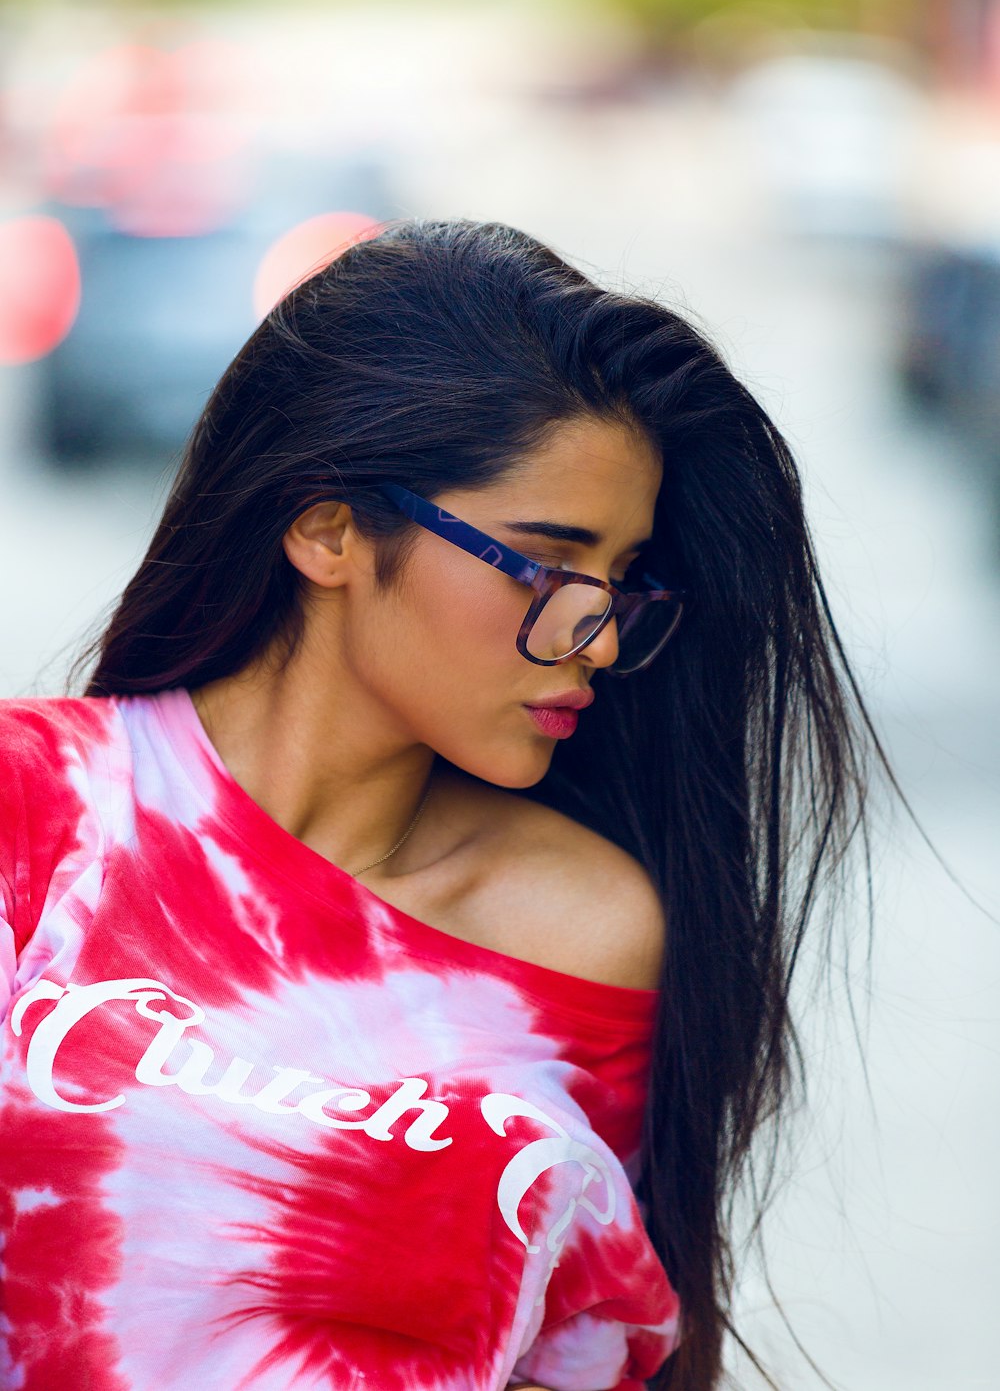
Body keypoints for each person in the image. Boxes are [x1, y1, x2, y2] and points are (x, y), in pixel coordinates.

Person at [0, 218, 904, 1390]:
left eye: (622, 578)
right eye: (544, 561)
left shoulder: (585, 924)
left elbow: (583, 1351)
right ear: (327, 527)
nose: (601, 629)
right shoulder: (40, 806)